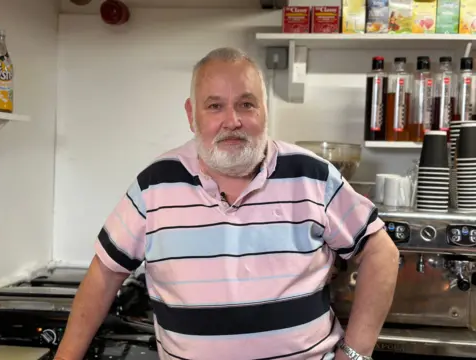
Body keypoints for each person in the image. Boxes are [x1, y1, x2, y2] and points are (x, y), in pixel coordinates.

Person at [54, 47, 400, 360]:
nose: (232, 120)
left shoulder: (312, 175)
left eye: (246, 104)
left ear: (265, 111)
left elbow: (380, 251)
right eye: (215, 105)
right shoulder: (155, 185)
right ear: (192, 115)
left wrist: (355, 355)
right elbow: (105, 274)